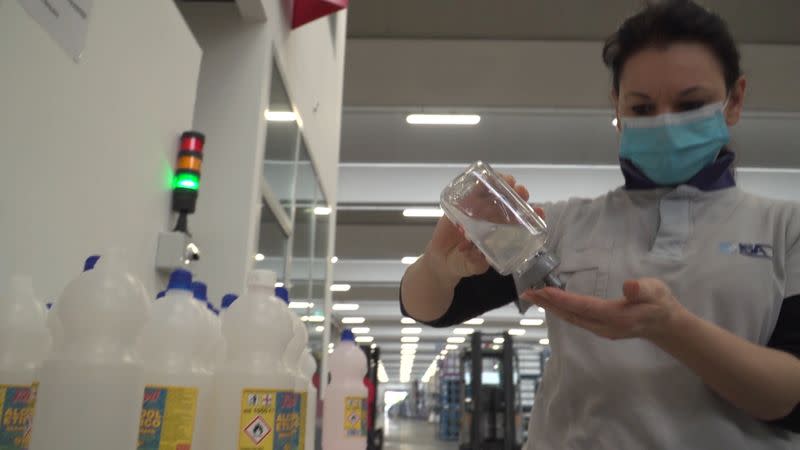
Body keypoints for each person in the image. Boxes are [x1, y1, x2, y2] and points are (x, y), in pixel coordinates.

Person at [399, 1, 799, 448]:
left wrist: (669, 328)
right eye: (643, 108)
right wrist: (438, 268)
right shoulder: (560, 225)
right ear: (617, 108)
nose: (665, 123)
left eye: (690, 104)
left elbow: (791, 398)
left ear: (735, 100)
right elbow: (430, 308)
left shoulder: (785, 229)